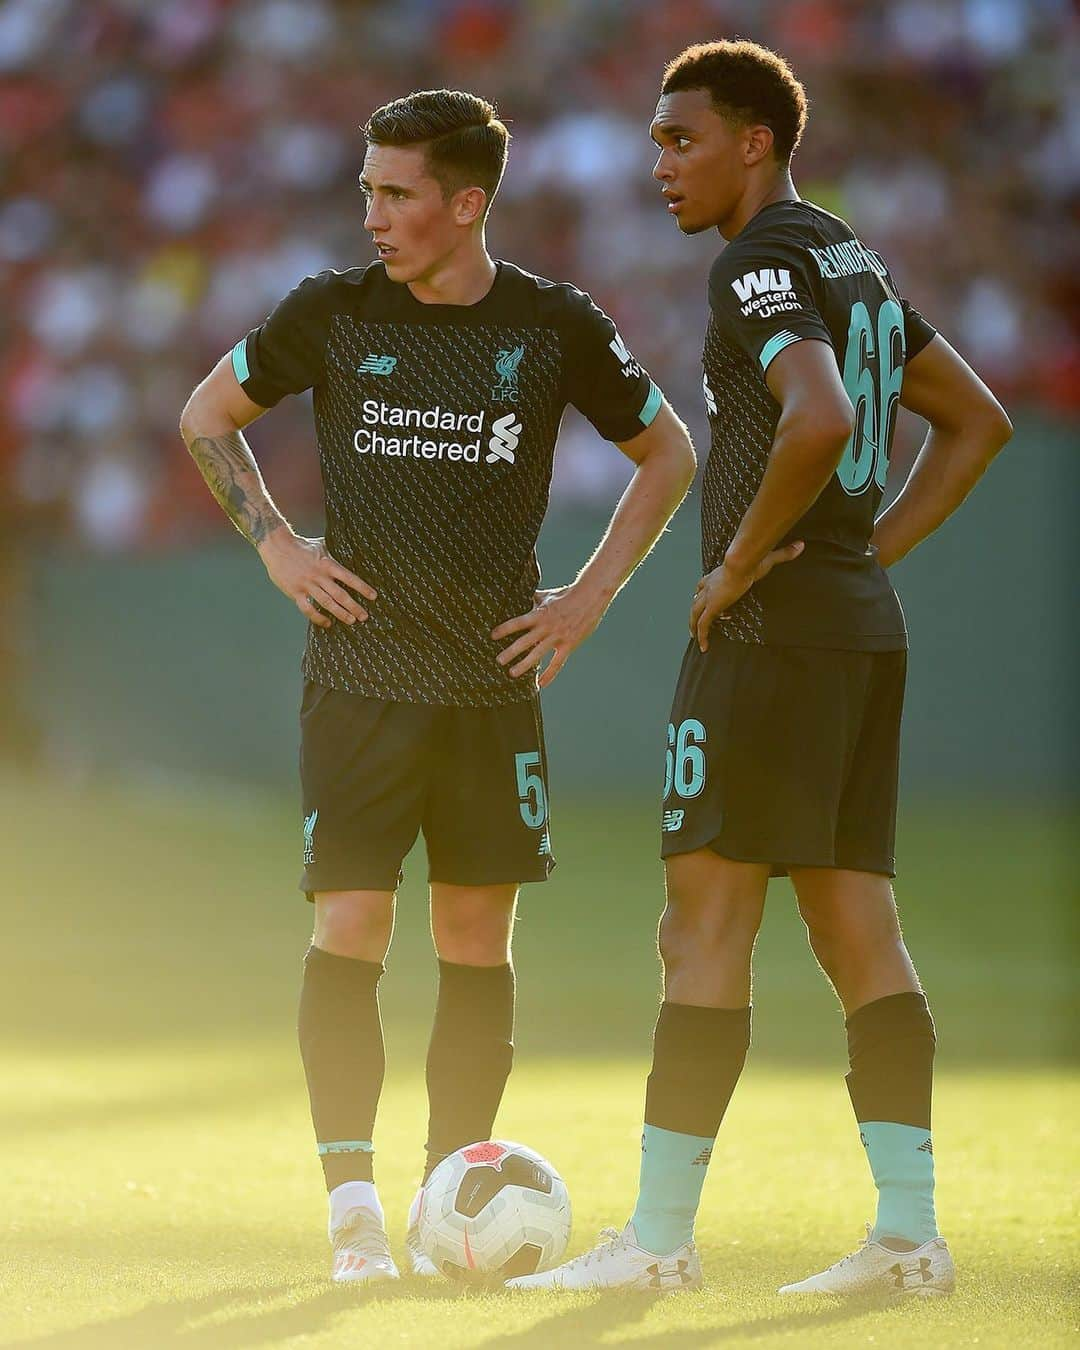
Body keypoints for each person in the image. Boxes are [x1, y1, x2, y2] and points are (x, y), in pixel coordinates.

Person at [509, 40, 1011, 1297]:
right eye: (654, 143)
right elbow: (976, 421)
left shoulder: (761, 261)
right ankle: (909, 1239)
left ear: (756, 142)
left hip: (775, 634)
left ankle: (659, 1245)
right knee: (858, 930)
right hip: (854, 622)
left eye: (682, 140)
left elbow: (824, 413)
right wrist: (858, 549)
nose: (661, 165)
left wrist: (737, 565)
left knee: (702, 924)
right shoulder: (852, 254)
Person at [179, 89, 695, 1285]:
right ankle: (353, 1211)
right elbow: (209, 414)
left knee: (475, 940)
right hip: (358, 680)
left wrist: (589, 595)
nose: (374, 214)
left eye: (398, 193)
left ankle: (444, 1190)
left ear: (468, 205)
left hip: (490, 689)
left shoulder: (556, 324)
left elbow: (668, 450)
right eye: (367, 189)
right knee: (351, 926)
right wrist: (275, 544)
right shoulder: (332, 311)